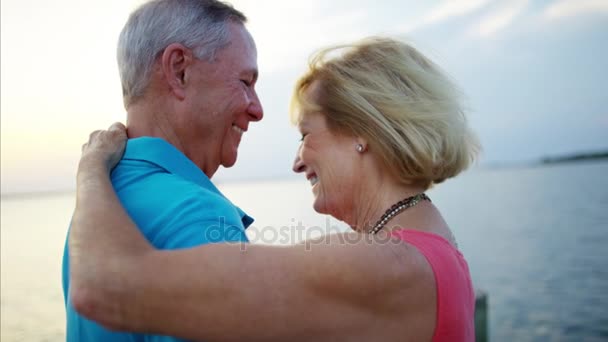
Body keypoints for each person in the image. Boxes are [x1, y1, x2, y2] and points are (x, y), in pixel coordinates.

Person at [69, 37, 480, 341]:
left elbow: (107, 285)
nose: (298, 160)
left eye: (306, 134)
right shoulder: (435, 252)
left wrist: (91, 170)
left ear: (362, 132)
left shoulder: (386, 268)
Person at [61, 0, 263, 341]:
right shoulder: (198, 216)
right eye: (245, 82)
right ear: (179, 71)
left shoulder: (96, 209)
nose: (256, 109)